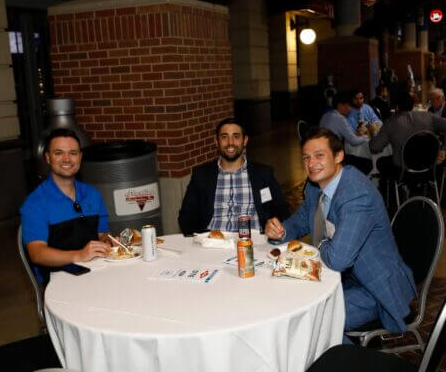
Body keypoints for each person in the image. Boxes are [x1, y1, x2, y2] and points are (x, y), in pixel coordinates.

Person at [265, 128, 416, 341]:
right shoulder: (316, 187)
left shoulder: (356, 194)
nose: (311, 163)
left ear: (338, 156)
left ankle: (347, 357)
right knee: (290, 302)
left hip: (375, 289)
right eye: (306, 157)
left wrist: (319, 244)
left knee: (314, 321)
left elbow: (338, 260)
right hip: (344, 279)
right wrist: (280, 231)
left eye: (319, 155)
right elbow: (300, 221)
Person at [20, 129, 111, 285]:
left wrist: (108, 242)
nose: (67, 159)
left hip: (96, 271)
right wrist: (79, 255)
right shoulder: (35, 203)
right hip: (58, 281)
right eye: (59, 153)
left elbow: (103, 234)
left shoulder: (92, 194)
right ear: (48, 158)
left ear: (80, 157)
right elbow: (37, 253)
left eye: (73, 153)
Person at [178, 117, 290, 235]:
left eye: (236, 136)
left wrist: (272, 226)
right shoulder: (201, 175)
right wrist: (201, 238)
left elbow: (283, 211)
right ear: (216, 141)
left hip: (252, 240)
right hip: (213, 241)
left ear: (245, 141)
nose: (230, 142)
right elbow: (185, 217)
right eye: (224, 137)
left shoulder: (263, 174)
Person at [370, 87, 446, 176]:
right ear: (412, 105)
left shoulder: (390, 122)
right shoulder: (428, 116)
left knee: (380, 162)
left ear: (396, 107)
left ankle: (392, 185)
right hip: (428, 167)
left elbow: (374, 148)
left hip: (403, 171)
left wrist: (374, 132)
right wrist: (444, 149)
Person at [320, 93, 373, 175]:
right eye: (348, 106)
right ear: (340, 106)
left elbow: (348, 133)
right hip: (335, 156)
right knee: (368, 163)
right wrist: (366, 136)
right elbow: (353, 141)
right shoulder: (340, 118)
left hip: (324, 153)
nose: (350, 109)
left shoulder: (326, 115)